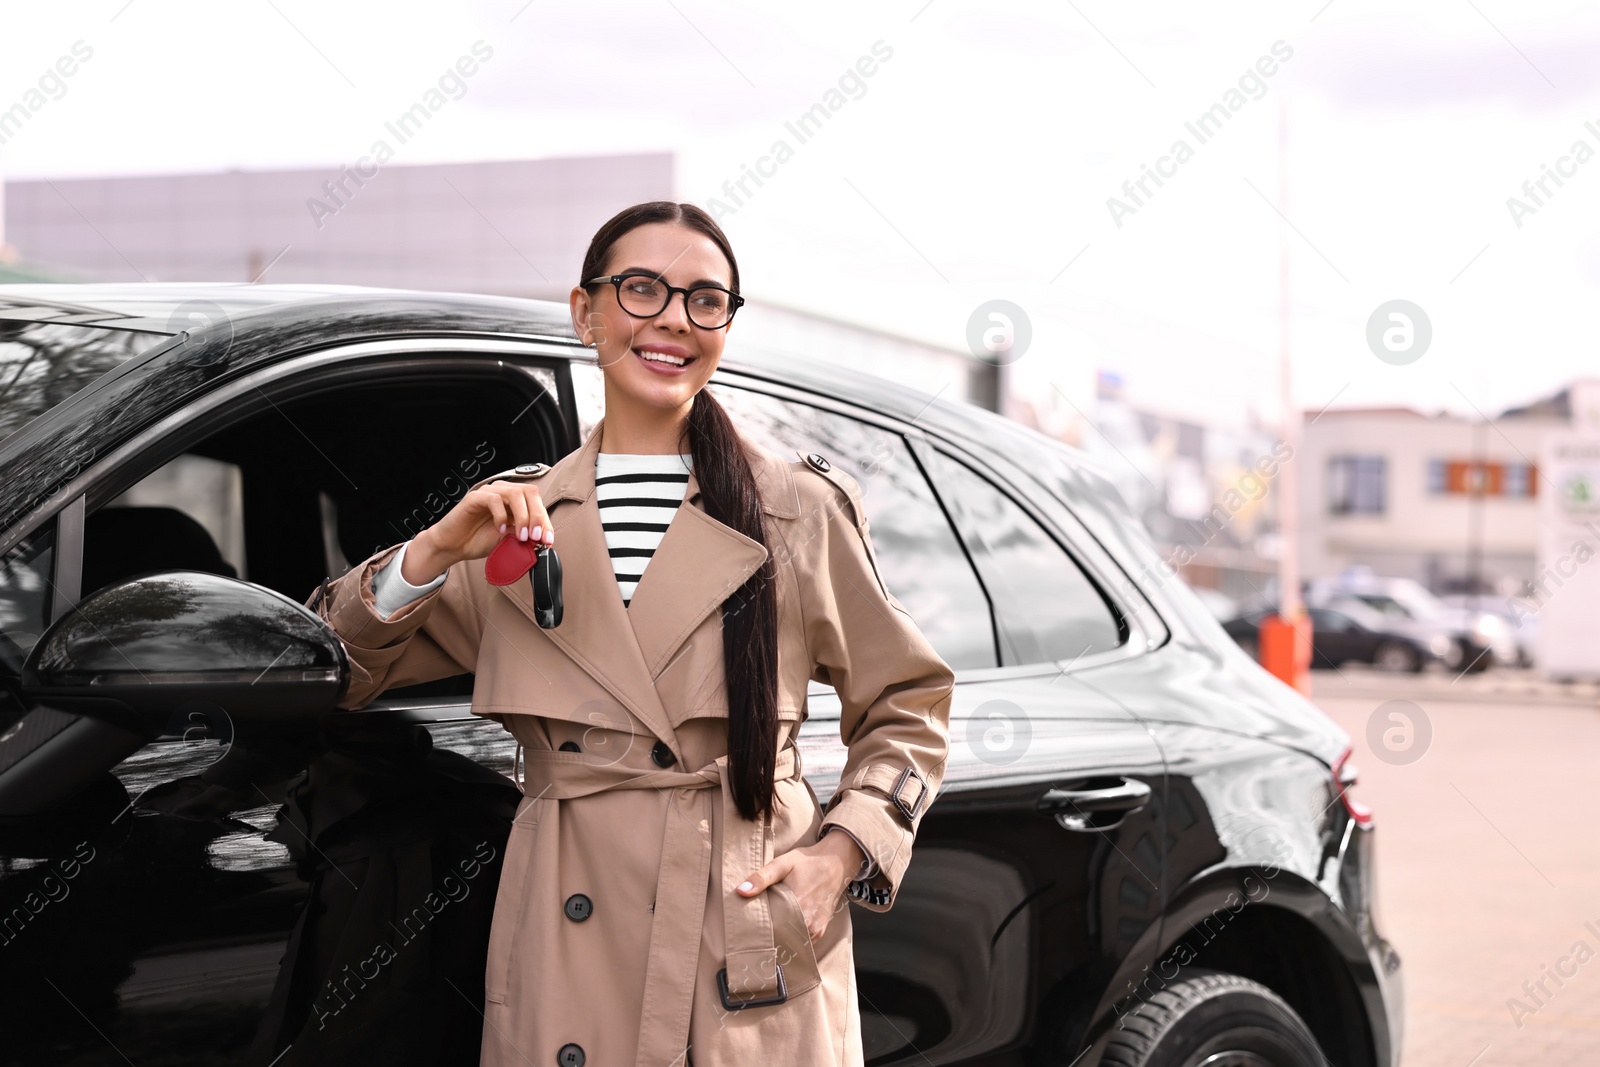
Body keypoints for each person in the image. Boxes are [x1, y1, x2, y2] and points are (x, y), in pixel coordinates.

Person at [311, 200, 954, 1066]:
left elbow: (908, 701)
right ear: (586, 311)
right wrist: (429, 553)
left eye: (705, 300)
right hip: (565, 948)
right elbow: (338, 670)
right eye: (642, 289)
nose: (673, 321)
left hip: (743, 936)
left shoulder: (796, 509)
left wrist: (841, 855)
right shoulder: (517, 520)